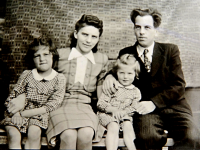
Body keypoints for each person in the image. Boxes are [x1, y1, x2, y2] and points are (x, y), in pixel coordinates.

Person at [103, 8, 200, 149]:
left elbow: (178, 85)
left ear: (156, 30)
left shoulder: (170, 50)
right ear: (134, 29)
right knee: (148, 137)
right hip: (144, 110)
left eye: (147, 27)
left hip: (174, 106)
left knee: (193, 137)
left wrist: (154, 103)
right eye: (138, 27)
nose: (142, 32)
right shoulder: (126, 53)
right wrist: (109, 77)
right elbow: (117, 70)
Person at [45, 14, 108, 150]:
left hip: (85, 106)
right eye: (85, 34)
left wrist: (105, 110)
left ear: (98, 39)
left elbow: (101, 91)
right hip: (59, 105)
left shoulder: (102, 59)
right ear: (75, 34)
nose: (88, 40)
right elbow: (43, 80)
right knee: (68, 135)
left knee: (86, 134)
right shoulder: (60, 55)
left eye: (94, 37)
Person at [1, 36, 66, 149]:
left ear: (53, 55)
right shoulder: (27, 75)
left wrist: (24, 114)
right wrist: (16, 113)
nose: (42, 59)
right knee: (13, 135)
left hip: (39, 115)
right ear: (32, 59)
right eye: (37, 55)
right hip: (18, 113)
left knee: (34, 133)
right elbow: (13, 96)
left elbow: (52, 105)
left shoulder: (59, 78)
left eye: (46, 54)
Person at [97, 54, 141, 150]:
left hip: (124, 115)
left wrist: (124, 113)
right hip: (108, 115)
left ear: (135, 74)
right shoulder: (113, 87)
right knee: (113, 126)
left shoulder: (135, 91)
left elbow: (134, 107)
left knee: (128, 125)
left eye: (129, 73)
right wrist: (113, 110)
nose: (125, 77)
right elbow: (101, 104)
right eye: (122, 73)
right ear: (116, 73)